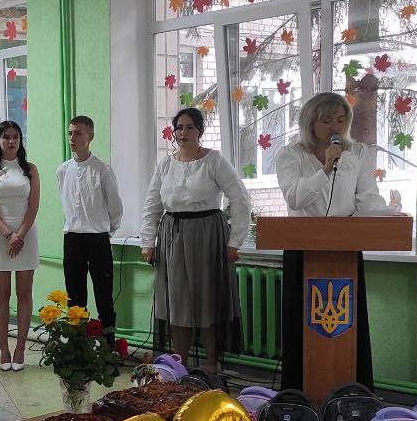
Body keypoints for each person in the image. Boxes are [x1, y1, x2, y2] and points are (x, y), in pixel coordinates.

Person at [275, 92, 400, 391]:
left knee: (346, 324)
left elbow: (367, 197)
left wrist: (387, 214)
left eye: (341, 120)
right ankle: (299, 392)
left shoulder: (357, 154)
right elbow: (295, 198)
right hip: (303, 249)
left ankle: (351, 392)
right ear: (311, 122)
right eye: (327, 120)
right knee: (303, 325)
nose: (335, 127)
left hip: (344, 250)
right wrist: (325, 168)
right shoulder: (291, 155)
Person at [140, 107, 250, 367]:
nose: (183, 132)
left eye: (190, 127)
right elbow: (152, 204)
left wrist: (235, 241)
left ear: (200, 131)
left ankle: (211, 367)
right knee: (177, 304)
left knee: (208, 301)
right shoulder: (166, 164)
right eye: (179, 127)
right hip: (172, 236)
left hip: (208, 236)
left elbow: (240, 198)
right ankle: (180, 366)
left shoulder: (214, 160)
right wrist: (147, 242)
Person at [0, 121, 39, 371]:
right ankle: (3, 348)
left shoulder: (30, 169)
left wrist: (19, 234)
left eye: (15, 137)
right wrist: (8, 234)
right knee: (1, 295)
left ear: (20, 140)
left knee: (24, 294)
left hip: (26, 236)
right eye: (6, 137)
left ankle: (20, 348)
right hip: (0, 237)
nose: (11, 141)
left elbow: (33, 206)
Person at [56, 115, 123, 346]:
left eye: (78, 133)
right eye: (70, 133)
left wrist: (107, 231)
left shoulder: (102, 170)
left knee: (104, 296)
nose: (72, 138)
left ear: (90, 136)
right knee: (75, 298)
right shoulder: (62, 170)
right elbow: (65, 201)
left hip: (98, 239)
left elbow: (115, 208)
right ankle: (77, 348)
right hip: (72, 239)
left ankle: (108, 348)